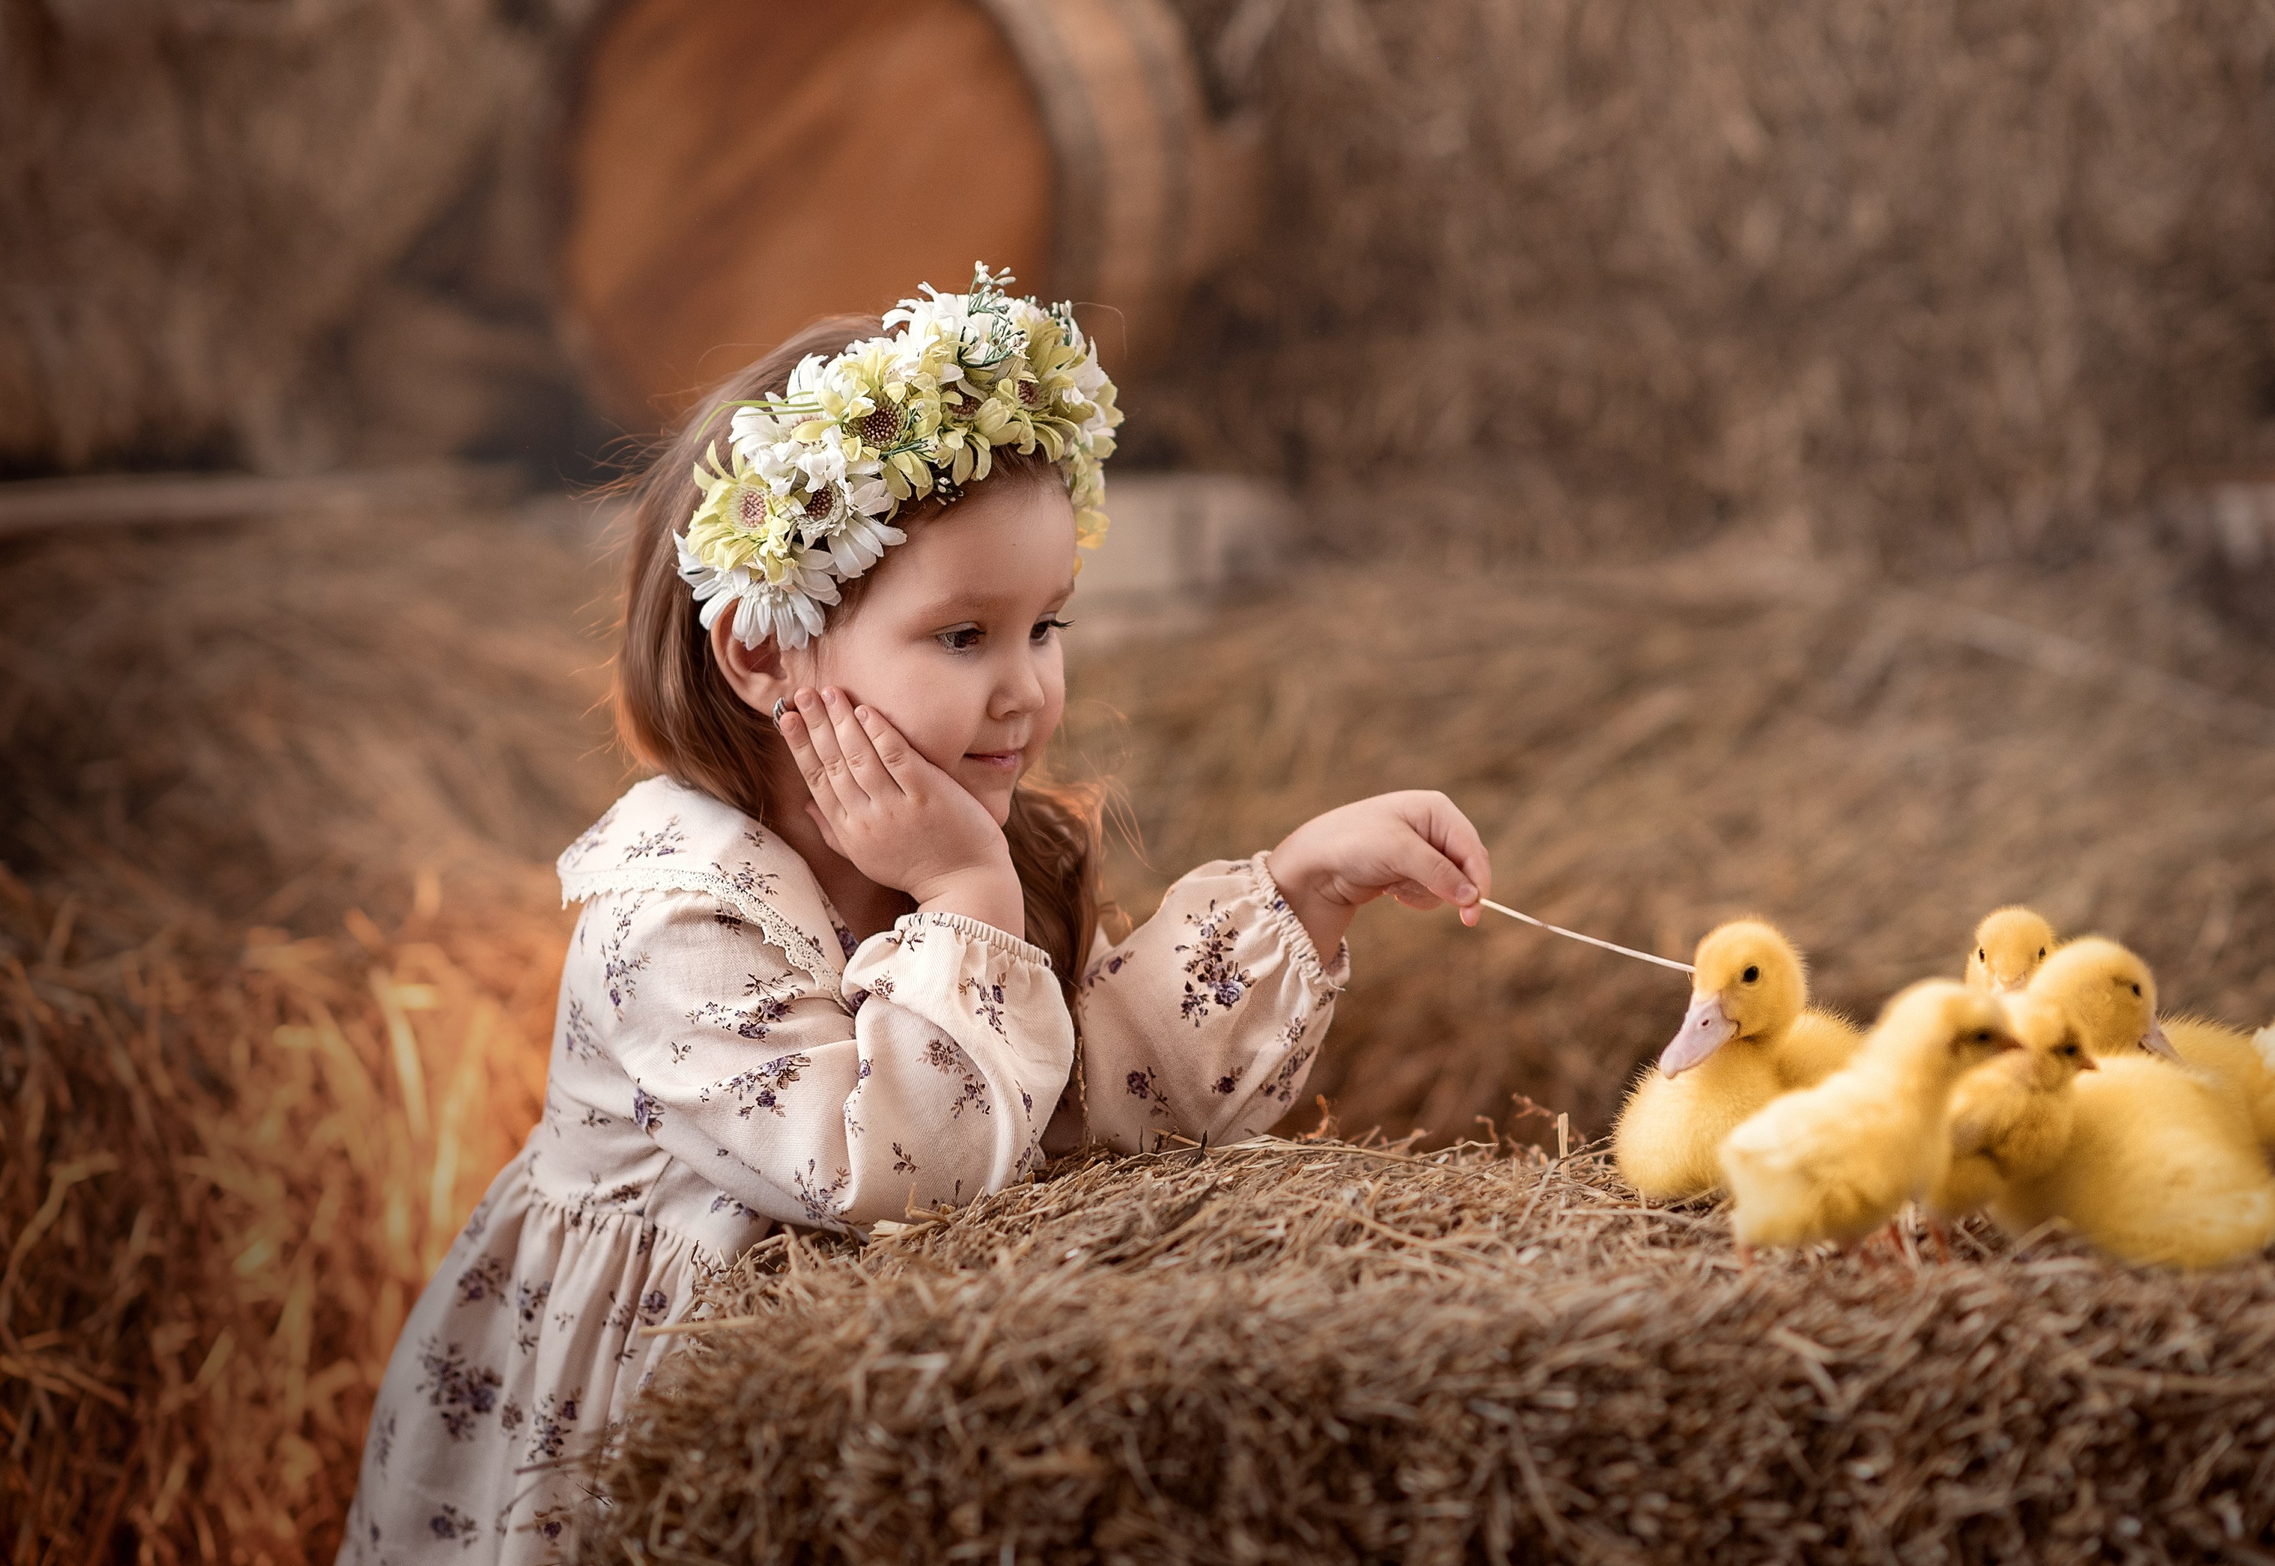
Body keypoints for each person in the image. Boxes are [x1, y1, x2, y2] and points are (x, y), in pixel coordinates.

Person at [338, 268, 1492, 1561]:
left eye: (1045, 625)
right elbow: (888, 1173)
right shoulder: (673, 915)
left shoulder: (968, 848)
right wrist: (963, 895)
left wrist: (1301, 887)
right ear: (764, 651)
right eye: (962, 637)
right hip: (641, 1431)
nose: (1028, 693)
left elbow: (1097, 1088)